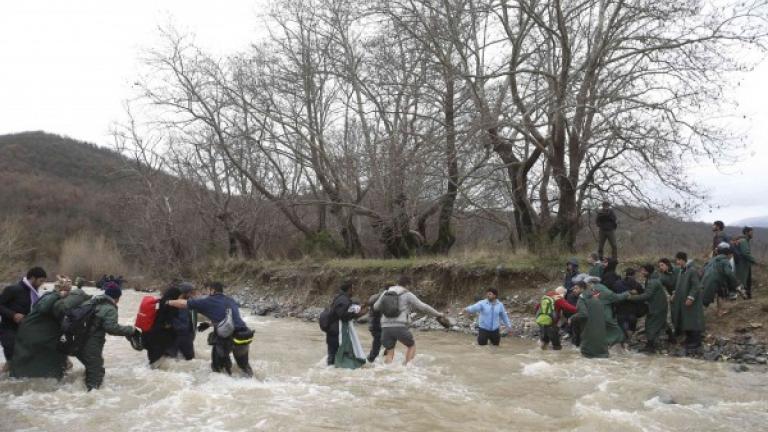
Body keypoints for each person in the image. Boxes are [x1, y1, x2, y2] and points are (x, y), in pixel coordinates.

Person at [9, 276, 90, 378]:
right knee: (31, 364)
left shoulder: (52, 298)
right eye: (67, 290)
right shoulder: (50, 296)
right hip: (35, 334)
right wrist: (58, 294)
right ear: (61, 289)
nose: (68, 292)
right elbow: (43, 308)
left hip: (37, 334)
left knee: (36, 363)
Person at [168, 281, 254, 377]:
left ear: (212, 290)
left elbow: (184, 303)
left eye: (207, 290)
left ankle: (221, 386)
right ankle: (252, 382)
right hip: (243, 336)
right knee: (244, 366)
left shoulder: (208, 301)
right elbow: (229, 320)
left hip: (227, 339)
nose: (207, 292)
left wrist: (167, 302)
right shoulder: (230, 300)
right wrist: (210, 324)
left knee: (218, 369)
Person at [76, 284, 138, 390]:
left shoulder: (93, 301)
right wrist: (130, 330)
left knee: (92, 368)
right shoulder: (110, 308)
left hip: (76, 340)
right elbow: (111, 328)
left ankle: (78, 390)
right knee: (96, 375)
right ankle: (90, 399)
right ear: (117, 297)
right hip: (91, 343)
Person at [373, 275, 445, 365]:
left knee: (390, 352)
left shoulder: (386, 292)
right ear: (407, 285)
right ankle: (406, 368)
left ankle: (387, 371)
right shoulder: (407, 294)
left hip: (385, 326)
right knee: (411, 346)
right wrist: (438, 314)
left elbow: (375, 307)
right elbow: (423, 307)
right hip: (400, 326)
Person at [0, 267, 47, 368]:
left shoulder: (36, 294)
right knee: (12, 362)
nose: (42, 284)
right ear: (33, 278)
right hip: (8, 330)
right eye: (41, 281)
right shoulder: (13, 289)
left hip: (25, 331)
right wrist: (13, 315)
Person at [578, 274, 630, 347]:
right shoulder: (597, 288)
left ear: (591, 283)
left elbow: (614, 297)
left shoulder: (597, 289)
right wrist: (626, 294)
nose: (586, 285)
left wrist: (625, 294)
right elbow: (615, 297)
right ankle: (617, 341)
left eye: (586, 284)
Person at [323, 280, 366, 366]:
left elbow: (342, 313)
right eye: (353, 288)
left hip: (332, 331)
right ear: (349, 289)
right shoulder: (343, 300)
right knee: (337, 356)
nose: (354, 290)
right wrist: (357, 314)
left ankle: (331, 374)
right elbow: (342, 315)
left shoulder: (339, 298)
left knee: (332, 357)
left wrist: (357, 313)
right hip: (337, 332)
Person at [627, 264, 669, 354]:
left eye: (643, 271)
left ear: (647, 271)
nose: (641, 272)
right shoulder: (652, 280)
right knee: (661, 323)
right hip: (658, 306)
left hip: (656, 307)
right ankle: (671, 340)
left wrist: (631, 297)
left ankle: (650, 346)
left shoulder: (652, 282)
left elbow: (647, 295)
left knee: (650, 325)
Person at [670, 252, 704, 355]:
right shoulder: (682, 271)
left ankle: (696, 342)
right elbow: (679, 285)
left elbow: (696, 286)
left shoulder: (692, 270)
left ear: (682, 260)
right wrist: (674, 294)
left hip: (691, 301)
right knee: (686, 320)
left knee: (693, 319)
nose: (677, 262)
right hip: (682, 301)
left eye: (678, 260)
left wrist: (691, 297)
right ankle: (689, 339)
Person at [143, 285, 182, 364]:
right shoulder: (172, 305)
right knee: (159, 362)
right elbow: (171, 322)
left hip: (149, 334)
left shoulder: (159, 302)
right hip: (162, 336)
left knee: (152, 363)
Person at [702, 244, 741, 317]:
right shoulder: (725, 261)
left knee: (721, 293)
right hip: (713, 281)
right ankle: (696, 316)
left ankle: (720, 311)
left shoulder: (713, 259)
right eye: (731, 255)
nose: (731, 257)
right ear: (728, 254)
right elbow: (729, 273)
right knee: (705, 301)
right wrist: (736, 283)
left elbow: (704, 268)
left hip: (707, 279)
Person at [570, 286, 609, 358]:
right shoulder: (597, 299)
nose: (573, 290)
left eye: (576, 288)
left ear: (582, 289)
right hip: (602, 346)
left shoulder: (582, 299)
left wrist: (572, 318)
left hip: (588, 344)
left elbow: (583, 314)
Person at [166, 282, 198, 360]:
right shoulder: (181, 305)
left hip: (176, 337)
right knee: (190, 360)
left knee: (174, 359)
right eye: (191, 292)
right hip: (184, 336)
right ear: (185, 293)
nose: (193, 294)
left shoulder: (186, 303)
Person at [613, 268, 646, 338]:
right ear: (634, 275)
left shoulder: (617, 283)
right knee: (631, 327)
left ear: (625, 274)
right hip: (632, 311)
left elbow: (614, 296)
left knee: (622, 327)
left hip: (620, 310)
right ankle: (628, 340)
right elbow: (642, 297)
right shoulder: (637, 285)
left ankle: (623, 341)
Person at [733, 227, 757, 299]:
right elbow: (745, 253)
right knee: (745, 280)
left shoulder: (743, 240)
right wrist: (754, 260)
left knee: (744, 280)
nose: (752, 234)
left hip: (742, 264)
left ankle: (746, 296)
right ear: (746, 232)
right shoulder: (743, 241)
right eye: (751, 232)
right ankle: (746, 296)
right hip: (743, 264)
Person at [366, 288, 386, 363]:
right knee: (378, 343)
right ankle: (371, 360)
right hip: (377, 324)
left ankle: (375, 359)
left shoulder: (373, 297)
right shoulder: (381, 297)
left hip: (374, 323)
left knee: (379, 342)